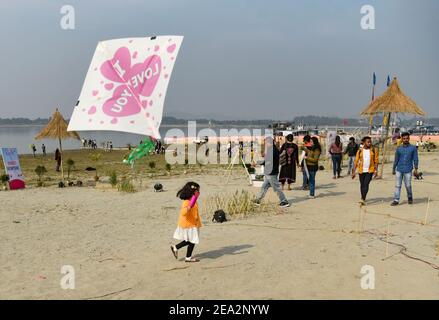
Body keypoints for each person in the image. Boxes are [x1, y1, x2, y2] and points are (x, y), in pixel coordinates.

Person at [253, 136, 290, 207]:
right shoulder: (272, 149)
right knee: (264, 187)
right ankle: (258, 200)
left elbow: (267, 161)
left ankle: (284, 201)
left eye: (265, 142)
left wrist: (257, 163)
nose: (265, 144)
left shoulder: (272, 150)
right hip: (270, 172)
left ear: (268, 142)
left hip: (271, 172)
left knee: (276, 188)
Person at [170, 182, 202, 262]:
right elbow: (183, 212)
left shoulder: (193, 201)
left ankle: (177, 248)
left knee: (190, 240)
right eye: (197, 191)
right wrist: (188, 207)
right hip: (188, 224)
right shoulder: (187, 202)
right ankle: (186, 256)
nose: (199, 192)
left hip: (193, 223)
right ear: (192, 192)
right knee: (192, 240)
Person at [391, 132, 419, 206]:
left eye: (407, 138)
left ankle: (410, 197)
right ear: (402, 139)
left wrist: (416, 168)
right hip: (399, 169)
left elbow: (415, 158)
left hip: (408, 170)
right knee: (398, 185)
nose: (405, 140)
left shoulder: (413, 148)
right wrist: (393, 168)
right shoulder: (399, 149)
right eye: (404, 139)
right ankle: (396, 200)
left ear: (409, 139)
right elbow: (396, 159)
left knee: (408, 185)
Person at [351, 136, 378, 206]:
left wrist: (376, 170)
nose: (369, 143)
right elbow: (356, 161)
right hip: (361, 170)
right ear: (364, 143)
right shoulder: (359, 151)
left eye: (370, 142)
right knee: (362, 185)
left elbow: (376, 161)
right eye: (368, 142)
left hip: (370, 170)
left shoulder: (373, 150)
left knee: (366, 184)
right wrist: (353, 172)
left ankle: (363, 198)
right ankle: (362, 197)